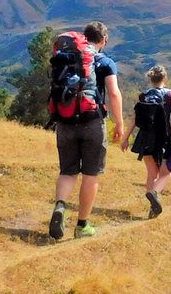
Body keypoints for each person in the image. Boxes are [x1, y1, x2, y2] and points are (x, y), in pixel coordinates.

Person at [49, 21, 123, 240]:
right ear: (104, 40)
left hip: (65, 120)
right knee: (91, 175)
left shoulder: (68, 57)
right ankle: (82, 225)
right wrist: (119, 124)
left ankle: (60, 206)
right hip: (92, 122)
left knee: (67, 171)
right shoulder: (105, 61)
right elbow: (114, 93)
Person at [121, 65, 171, 218]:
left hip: (145, 138)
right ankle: (154, 194)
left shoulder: (143, 96)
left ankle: (152, 206)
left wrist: (126, 138)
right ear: (165, 78)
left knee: (151, 174)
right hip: (164, 138)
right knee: (166, 172)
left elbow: (135, 119)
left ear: (151, 79)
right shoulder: (170, 95)